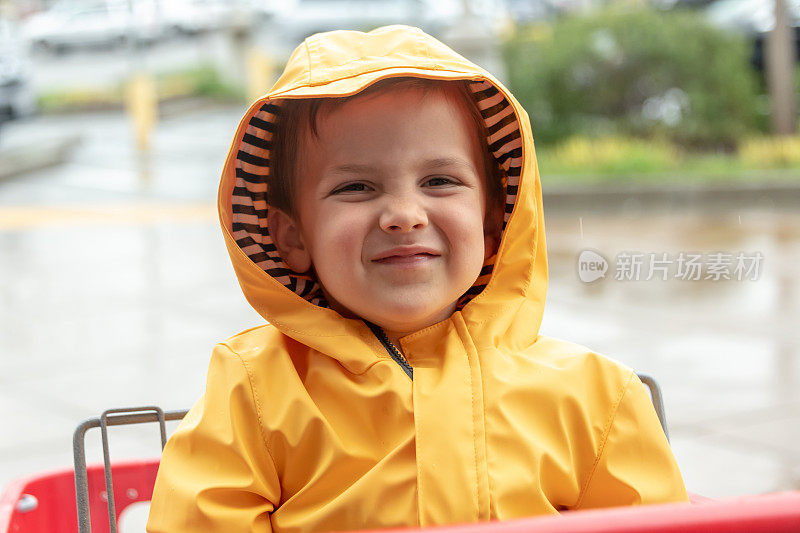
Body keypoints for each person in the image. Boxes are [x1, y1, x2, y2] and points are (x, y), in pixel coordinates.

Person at [146, 25, 688, 532]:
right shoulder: (255, 394)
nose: (403, 214)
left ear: (495, 222)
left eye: (439, 180)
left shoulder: (594, 399)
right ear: (292, 238)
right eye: (356, 187)